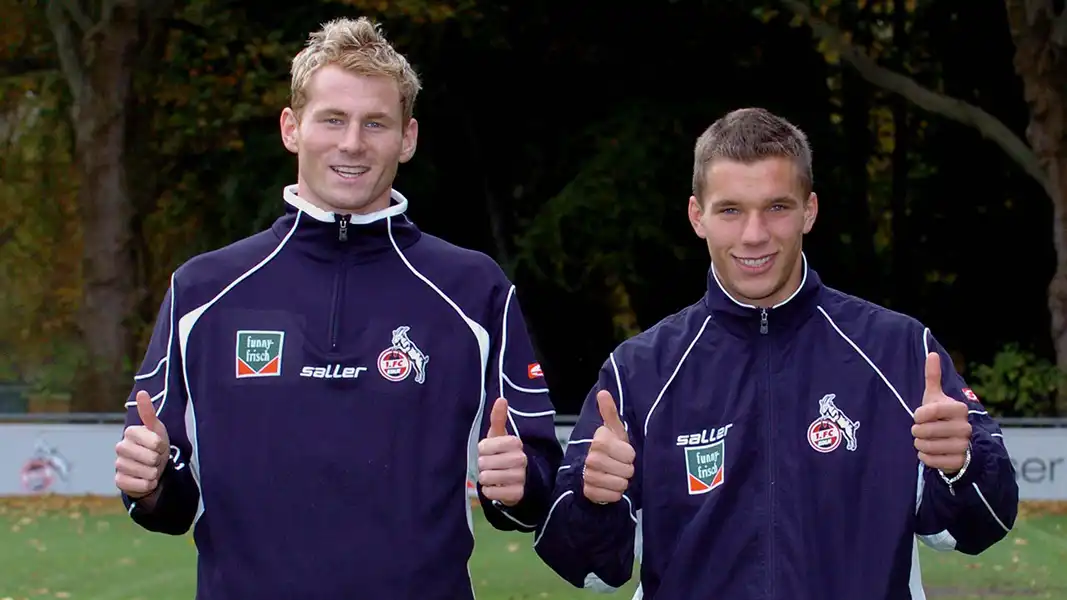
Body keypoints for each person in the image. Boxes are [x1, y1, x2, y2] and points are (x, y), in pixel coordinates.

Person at [112, 17, 562, 599]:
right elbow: (166, 496)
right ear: (291, 128)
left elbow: (534, 482)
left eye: (375, 123)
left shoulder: (474, 290)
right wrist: (148, 484)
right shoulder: (204, 290)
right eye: (333, 119)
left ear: (408, 137)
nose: (353, 143)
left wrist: (521, 485)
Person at [532, 108, 1019, 599]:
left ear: (809, 211)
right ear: (697, 216)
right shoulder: (639, 371)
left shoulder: (898, 351)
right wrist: (596, 501)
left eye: (777, 208)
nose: (754, 235)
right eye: (730, 210)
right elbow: (588, 570)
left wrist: (961, 465)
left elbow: (981, 526)